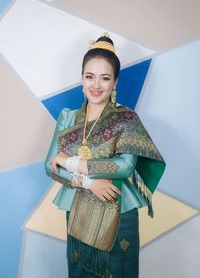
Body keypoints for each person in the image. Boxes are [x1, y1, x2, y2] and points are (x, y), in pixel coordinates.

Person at [45, 33, 166, 278]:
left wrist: (71, 162)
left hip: (119, 211)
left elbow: (124, 167)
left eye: (104, 78)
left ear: (115, 82)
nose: (96, 85)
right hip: (78, 210)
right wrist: (89, 183)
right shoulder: (68, 118)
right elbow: (49, 167)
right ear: (81, 79)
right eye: (89, 77)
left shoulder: (127, 118)